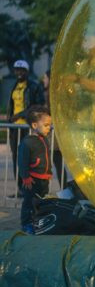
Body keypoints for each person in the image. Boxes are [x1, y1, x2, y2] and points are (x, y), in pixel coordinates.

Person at [7, 60, 45, 196]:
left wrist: (20, 115)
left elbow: (38, 105)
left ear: (27, 72)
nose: (19, 72)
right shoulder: (14, 86)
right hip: (14, 128)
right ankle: (20, 190)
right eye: (17, 69)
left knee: (27, 159)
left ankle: (30, 190)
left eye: (22, 70)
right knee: (16, 158)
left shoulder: (34, 86)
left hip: (27, 127)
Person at [18, 105, 52, 234]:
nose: (49, 128)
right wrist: (25, 177)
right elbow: (22, 162)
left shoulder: (44, 139)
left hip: (44, 180)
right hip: (32, 180)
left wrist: (49, 173)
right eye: (46, 125)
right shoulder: (27, 142)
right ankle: (26, 224)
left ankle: (38, 223)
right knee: (29, 204)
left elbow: (46, 158)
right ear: (34, 125)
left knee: (41, 203)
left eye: (50, 125)